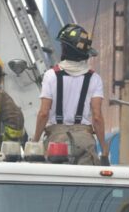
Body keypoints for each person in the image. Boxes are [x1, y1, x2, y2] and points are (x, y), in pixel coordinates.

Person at [32, 24, 109, 165]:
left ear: (65, 48)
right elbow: (97, 117)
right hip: (84, 141)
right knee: (85, 185)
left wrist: (35, 141)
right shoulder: (94, 78)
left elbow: (43, 113)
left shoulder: (50, 75)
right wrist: (104, 148)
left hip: (56, 142)